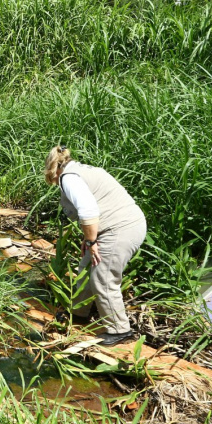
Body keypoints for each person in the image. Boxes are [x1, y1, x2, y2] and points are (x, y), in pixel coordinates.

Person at [45, 145, 147, 346]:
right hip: (118, 226)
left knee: (104, 276)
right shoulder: (81, 170)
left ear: (54, 169)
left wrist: (92, 240)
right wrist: (89, 237)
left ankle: (120, 330)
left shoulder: (69, 178)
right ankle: (79, 312)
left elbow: (88, 210)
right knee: (86, 268)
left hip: (121, 229)